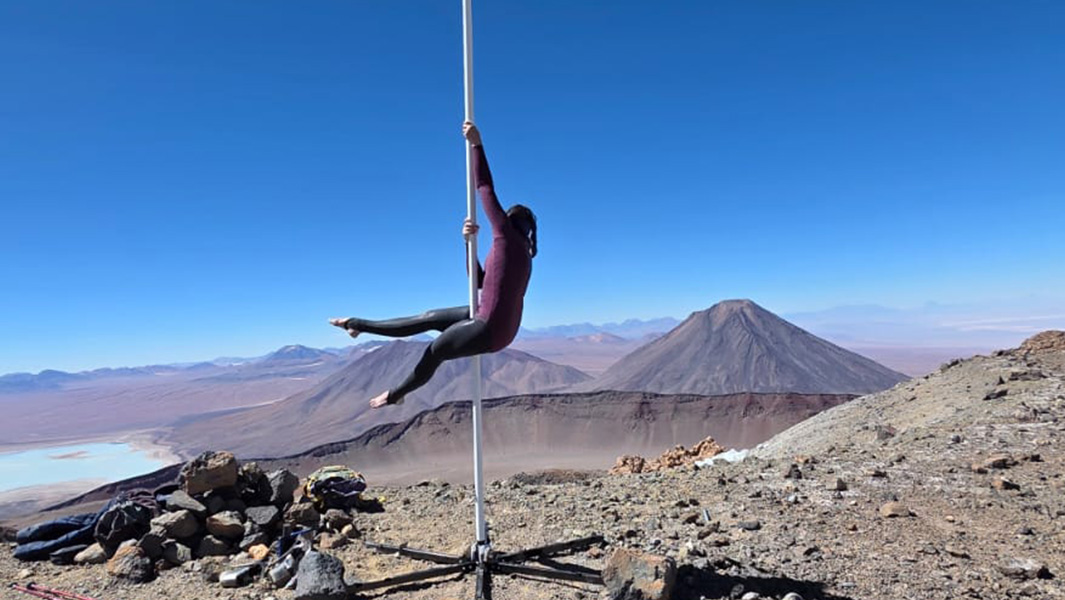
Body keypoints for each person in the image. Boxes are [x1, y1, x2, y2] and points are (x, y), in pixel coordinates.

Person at [330, 121, 537, 409]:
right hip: (491, 316)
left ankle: (395, 395)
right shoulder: (523, 254)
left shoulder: (506, 236)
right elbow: (478, 282)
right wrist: (468, 245)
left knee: (435, 350)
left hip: (491, 327)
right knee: (428, 317)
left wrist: (477, 145)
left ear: (510, 220)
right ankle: (357, 326)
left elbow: (484, 187)